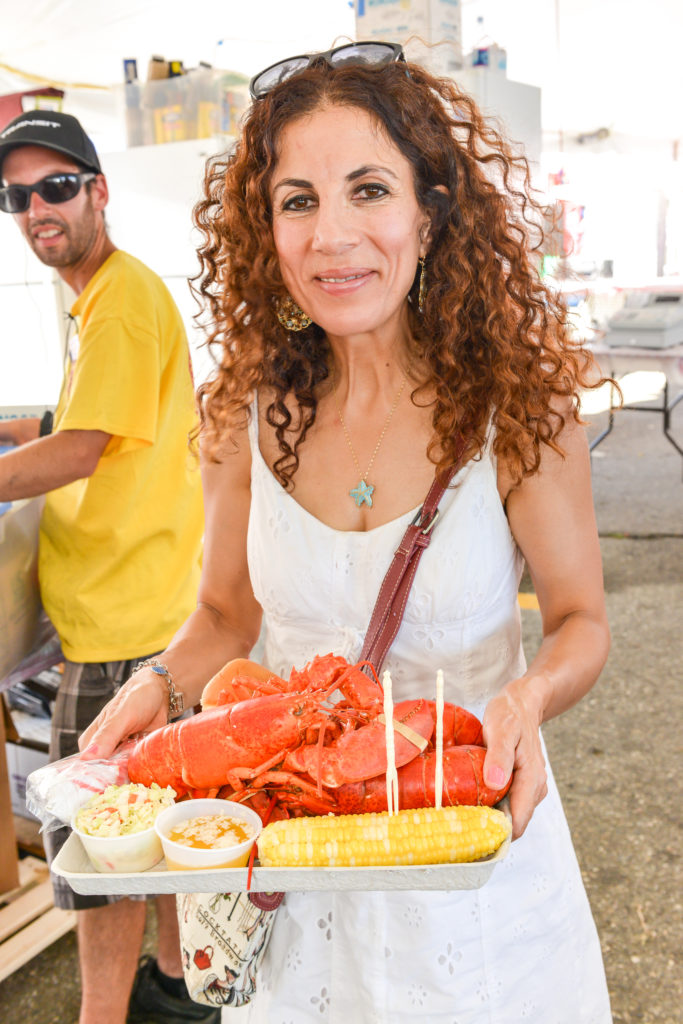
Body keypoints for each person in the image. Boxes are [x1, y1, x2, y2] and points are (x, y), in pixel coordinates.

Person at [80, 43, 614, 1023]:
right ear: (264, 227)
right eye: (297, 200)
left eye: (368, 189)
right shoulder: (240, 412)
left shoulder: (520, 410)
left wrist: (528, 698)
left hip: (473, 863)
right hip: (300, 891)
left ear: (428, 208)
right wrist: (155, 684)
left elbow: (580, 618)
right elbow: (222, 613)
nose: (333, 235)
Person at [0, 111, 213, 1024]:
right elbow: (86, 426)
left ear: (98, 191)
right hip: (147, 607)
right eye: (17, 196)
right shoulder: (103, 299)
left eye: (55, 186)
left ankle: (101, 1017)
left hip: (127, 624)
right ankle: (176, 988)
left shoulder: (120, 298)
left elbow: (83, 450)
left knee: (98, 850)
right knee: (155, 823)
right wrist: (22, 433)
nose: (36, 209)